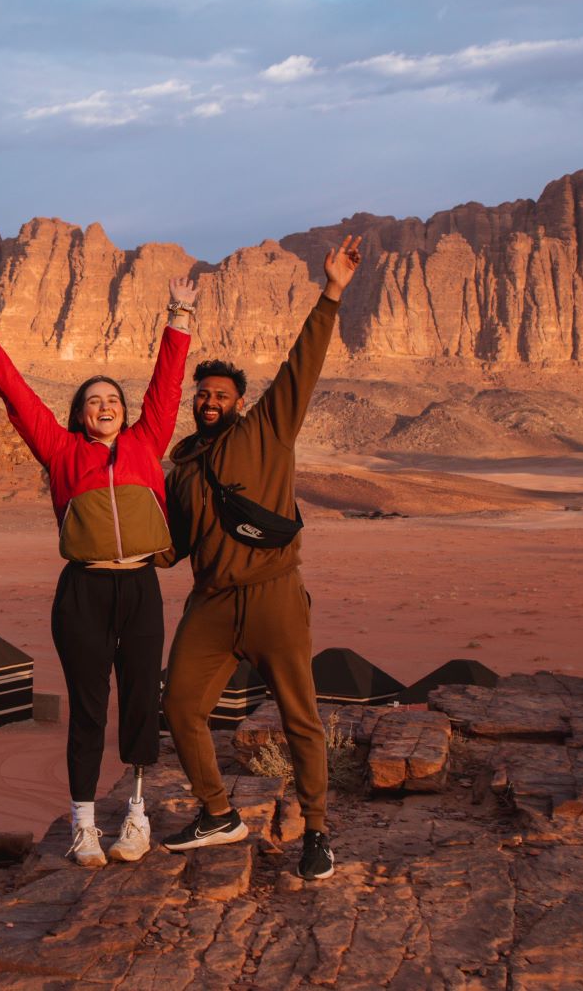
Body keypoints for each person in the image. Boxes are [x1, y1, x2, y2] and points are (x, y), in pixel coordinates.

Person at [0, 276, 195, 867]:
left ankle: (136, 815)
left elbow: (168, 385)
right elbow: (19, 398)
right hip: (82, 589)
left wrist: (179, 314)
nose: (105, 408)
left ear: (125, 413)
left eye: (113, 401)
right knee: (87, 706)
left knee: (140, 701)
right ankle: (83, 823)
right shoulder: (61, 452)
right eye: (93, 402)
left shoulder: (146, 440)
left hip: (139, 586)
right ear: (79, 415)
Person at [156, 235, 362, 882]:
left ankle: (319, 831)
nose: (210, 401)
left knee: (301, 719)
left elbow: (304, 363)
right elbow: (175, 544)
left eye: (221, 395)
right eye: (203, 394)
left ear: (238, 402)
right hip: (213, 604)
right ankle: (217, 814)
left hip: (274, 596)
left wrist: (331, 293)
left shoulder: (268, 429)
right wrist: (118, 552)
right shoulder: (182, 465)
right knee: (181, 707)